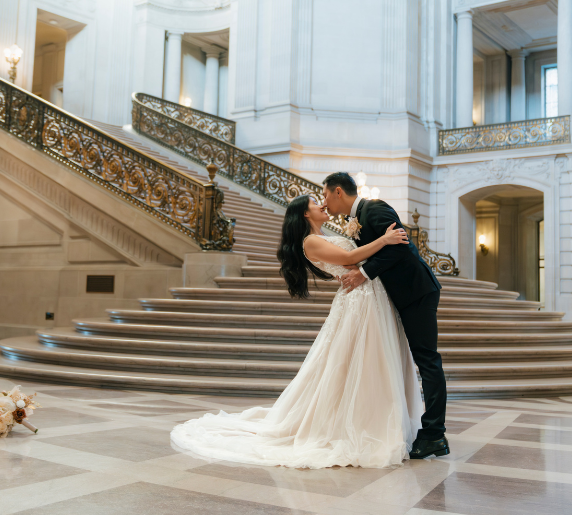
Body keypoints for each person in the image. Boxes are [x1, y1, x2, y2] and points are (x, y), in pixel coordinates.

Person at [169, 193, 421, 468]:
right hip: (358, 301)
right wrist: (384, 240)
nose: (322, 205)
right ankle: (362, 425)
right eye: (316, 203)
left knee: (369, 361)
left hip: (368, 295)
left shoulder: (323, 234)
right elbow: (349, 258)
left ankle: (376, 418)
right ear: (304, 213)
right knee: (357, 361)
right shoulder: (310, 242)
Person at [324, 171, 449, 459]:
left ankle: (434, 435)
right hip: (402, 294)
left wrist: (364, 274)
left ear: (339, 192)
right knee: (421, 359)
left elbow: (400, 246)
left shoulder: (374, 208)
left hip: (416, 292)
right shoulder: (357, 218)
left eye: (326, 194)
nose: (325, 201)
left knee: (427, 360)